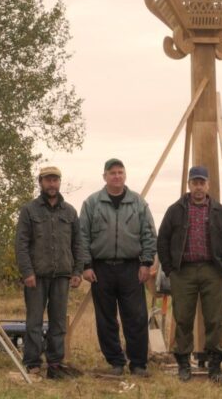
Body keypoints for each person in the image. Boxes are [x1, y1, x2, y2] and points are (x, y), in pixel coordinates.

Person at [157, 165, 222, 384]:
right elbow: (162, 239)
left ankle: (215, 365)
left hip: (213, 271)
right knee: (183, 318)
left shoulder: (220, 212)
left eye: (202, 182)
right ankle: (184, 363)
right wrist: (169, 268)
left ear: (208, 185)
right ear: (189, 185)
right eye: (195, 183)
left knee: (215, 318)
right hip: (183, 272)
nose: (198, 187)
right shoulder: (175, 210)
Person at [79, 158, 157, 377]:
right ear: (104, 176)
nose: (117, 176)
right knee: (106, 319)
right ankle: (115, 362)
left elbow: (149, 234)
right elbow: (82, 237)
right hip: (100, 269)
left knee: (137, 317)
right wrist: (85, 265)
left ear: (125, 175)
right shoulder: (92, 203)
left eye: (120, 172)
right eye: (112, 173)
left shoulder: (138, 203)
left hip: (131, 268)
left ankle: (138, 364)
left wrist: (146, 263)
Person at [14, 165, 84, 379]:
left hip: (62, 276)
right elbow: (21, 244)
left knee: (59, 322)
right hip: (37, 276)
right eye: (48, 180)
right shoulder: (29, 210)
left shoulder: (70, 211)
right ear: (41, 182)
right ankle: (32, 362)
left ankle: (55, 364)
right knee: (34, 321)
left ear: (60, 182)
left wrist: (77, 270)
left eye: (55, 180)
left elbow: (78, 244)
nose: (52, 184)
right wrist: (27, 272)